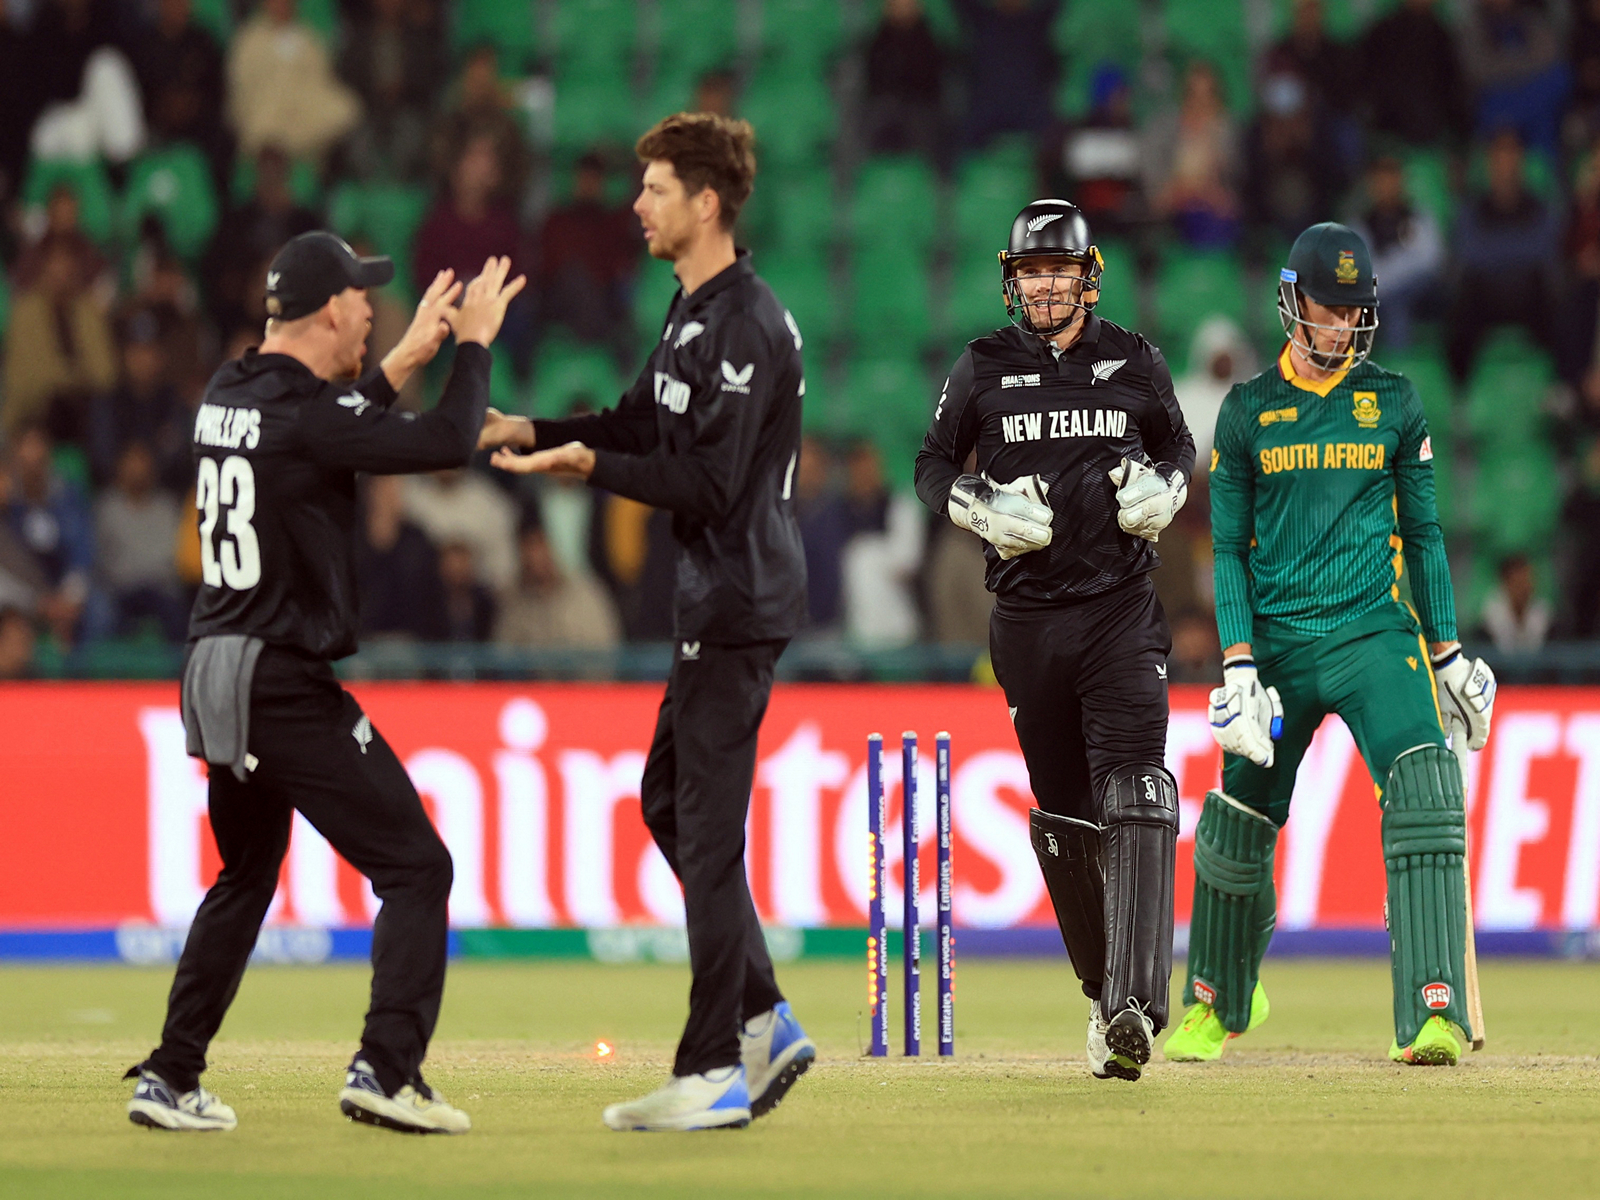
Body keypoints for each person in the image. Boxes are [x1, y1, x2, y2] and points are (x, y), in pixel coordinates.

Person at [123, 231, 525, 1134]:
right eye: (363, 297)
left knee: (247, 873)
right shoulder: (306, 413)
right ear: (331, 310)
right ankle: (386, 1070)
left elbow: (319, 432)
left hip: (213, 667)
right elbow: (445, 440)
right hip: (279, 678)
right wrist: (473, 344)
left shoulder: (229, 388)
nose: (374, 307)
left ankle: (172, 1075)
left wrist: (398, 362)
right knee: (419, 867)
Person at [479, 113, 815, 1131]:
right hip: (712, 599)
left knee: (704, 831)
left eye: (657, 188)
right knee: (669, 807)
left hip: (740, 597)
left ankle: (715, 1066)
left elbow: (707, 482)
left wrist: (592, 469)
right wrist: (535, 428)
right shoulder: (691, 309)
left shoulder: (749, 323)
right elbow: (634, 424)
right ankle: (764, 1018)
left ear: (706, 202)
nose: (638, 204)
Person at [1163, 222, 1497, 1069]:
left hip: (1375, 634)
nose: (1341, 325)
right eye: (1327, 305)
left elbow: (1424, 535)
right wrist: (1238, 665)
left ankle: (1434, 1009)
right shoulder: (1245, 412)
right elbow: (1228, 552)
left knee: (1424, 787)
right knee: (1239, 822)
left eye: (1354, 310)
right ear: (1290, 300)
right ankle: (1216, 1002)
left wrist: (1449, 652)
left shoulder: (1394, 401)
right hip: (1276, 647)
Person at [914, 199, 1195, 1081]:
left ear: (1087, 276)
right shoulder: (982, 366)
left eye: (1057, 272)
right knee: (1071, 822)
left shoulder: (1134, 358)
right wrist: (974, 505)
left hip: (1120, 609)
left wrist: (1169, 488)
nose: (1043, 286)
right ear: (1013, 279)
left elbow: (1180, 443)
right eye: (1030, 272)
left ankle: (1135, 1008)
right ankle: (1099, 997)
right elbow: (928, 462)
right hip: (1028, 624)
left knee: (1139, 790)